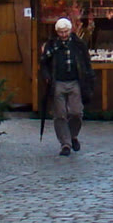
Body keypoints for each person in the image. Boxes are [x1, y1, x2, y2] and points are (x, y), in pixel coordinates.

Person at [37, 16, 94, 156]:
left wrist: (89, 78)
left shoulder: (78, 44)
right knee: (60, 114)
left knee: (76, 112)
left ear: (70, 30)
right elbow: (43, 63)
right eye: (60, 32)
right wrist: (46, 76)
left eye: (65, 31)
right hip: (57, 82)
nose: (63, 34)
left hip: (75, 81)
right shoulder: (52, 45)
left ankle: (72, 135)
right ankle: (65, 144)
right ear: (57, 32)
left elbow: (86, 62)